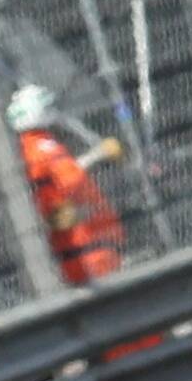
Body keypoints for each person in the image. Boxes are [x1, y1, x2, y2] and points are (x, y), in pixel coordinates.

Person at [8, 81, 125, 282]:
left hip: (75, 250)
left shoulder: (27, 149)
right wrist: (99, 154)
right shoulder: (43, 146)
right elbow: (71, 179)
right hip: (89, 247)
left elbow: (60, 175)